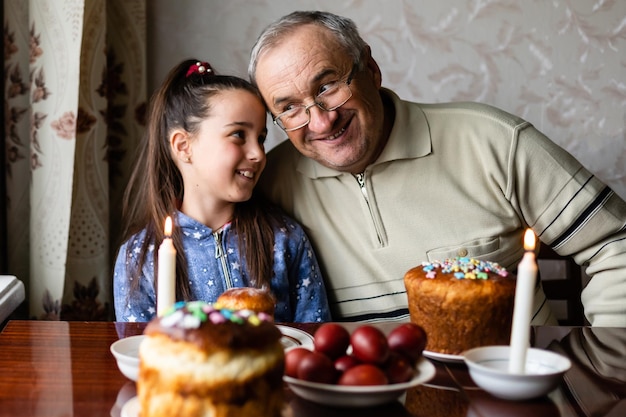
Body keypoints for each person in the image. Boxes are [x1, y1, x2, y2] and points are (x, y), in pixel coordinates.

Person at [247, 11, 626, 326]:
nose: (320, 122)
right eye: (290, 108)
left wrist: (609, 362)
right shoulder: (271, 184)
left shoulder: (493, 140)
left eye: (328, 86)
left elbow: (615, 243)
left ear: (371, 69)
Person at [113, 59, 331, 323]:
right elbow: (143, 352)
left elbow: (314, 338)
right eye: (239, 134)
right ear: (183, 146)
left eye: (260, 138)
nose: (258, 154)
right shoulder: (139, 256)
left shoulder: (284, 240)